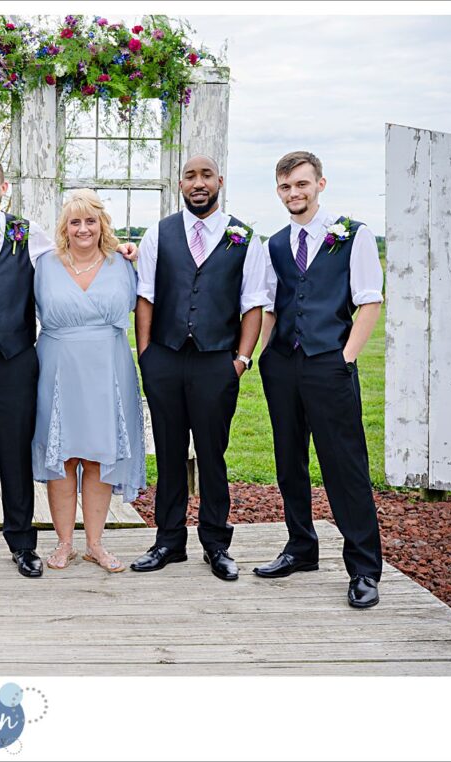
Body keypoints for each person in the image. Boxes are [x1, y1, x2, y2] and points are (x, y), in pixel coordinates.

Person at [0, 151, 139, 579]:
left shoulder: (28, 233)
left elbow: (75, 251)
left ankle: (23, 543)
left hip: (16, 364)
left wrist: (125, 250)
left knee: (15, 456)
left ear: (4, 187)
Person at [254, 150, 384, 609]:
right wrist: (259, 355)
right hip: (283, 365)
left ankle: (365, 568)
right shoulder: (275, 244)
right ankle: (300, 548)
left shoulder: (353, 235)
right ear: (279, 191)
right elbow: (271, 306)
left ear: (320, 184)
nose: (295, 193)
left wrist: (345, 358)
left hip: (329, 362)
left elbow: (369, 301)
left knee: (344, 466)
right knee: (289, 462)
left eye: (302, 185)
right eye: (286, 187)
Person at [132, 155, 270, 582]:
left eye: (205, 175)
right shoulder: (160, 232)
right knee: (170, 454)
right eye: (190, 176)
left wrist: (241, 361)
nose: (198, 183)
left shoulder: (244, 237)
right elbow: (147, 296)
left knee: (212, 455)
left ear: (219, 182)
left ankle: (216, 544)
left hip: (217, 361)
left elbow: (253, 305)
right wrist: (147, 354)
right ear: (180, 184)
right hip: (166, 358)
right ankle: (169, 541)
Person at [32, 190, 146, 572]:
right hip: (58, 364)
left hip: (108, 365)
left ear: (102, 225)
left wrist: (137, 253)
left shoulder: (123, 263)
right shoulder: (44, 264)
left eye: (90, 221)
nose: (83, 228)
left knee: (100, 454)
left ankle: (95, 543)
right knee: (61, 456)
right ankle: (64, 543)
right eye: (75, 221)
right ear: (64, 227)